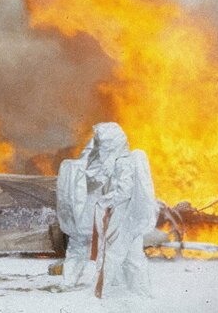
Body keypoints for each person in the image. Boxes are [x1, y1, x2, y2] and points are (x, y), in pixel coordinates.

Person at [56, 122, 157, 298]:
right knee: (130, 257)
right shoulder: (118, 160)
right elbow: (95, 169)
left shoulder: (123, 163)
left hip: (122, 216)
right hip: (122, 216)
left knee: (116, 255)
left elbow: (123, 190)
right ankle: (138, 292)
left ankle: (103, 292)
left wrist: (105, 201)